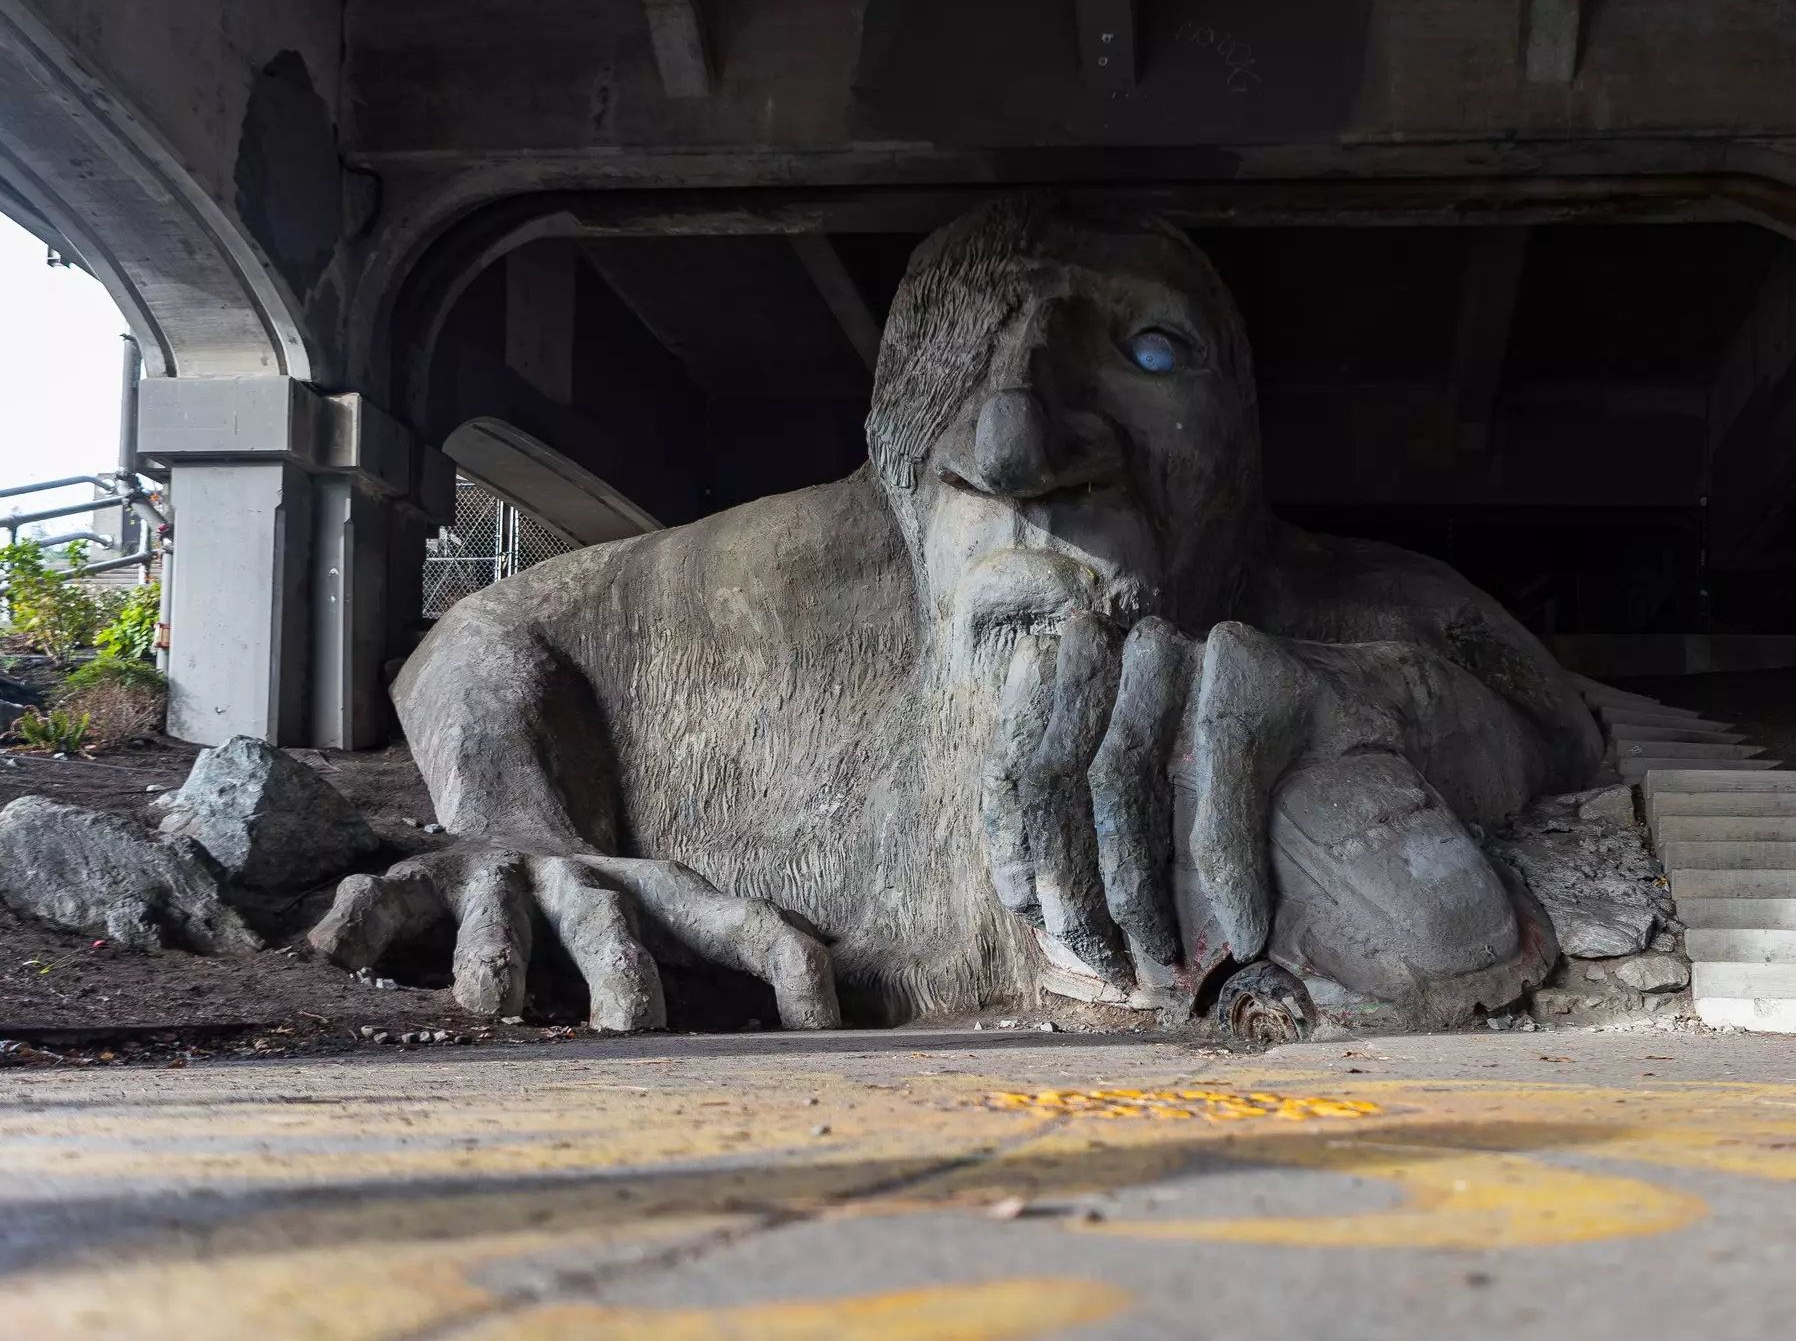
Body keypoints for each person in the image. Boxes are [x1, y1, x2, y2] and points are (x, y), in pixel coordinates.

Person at [312, 200, 1603, 1031]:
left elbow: (1558, 721)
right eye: (950, 351)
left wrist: (1380, 715)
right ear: (885, 440)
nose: (1014, 437)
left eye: (1151, 350)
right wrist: (517, 833)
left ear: (1243, 448)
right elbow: (477, 638)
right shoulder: (774, 578)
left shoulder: (1343, 600)